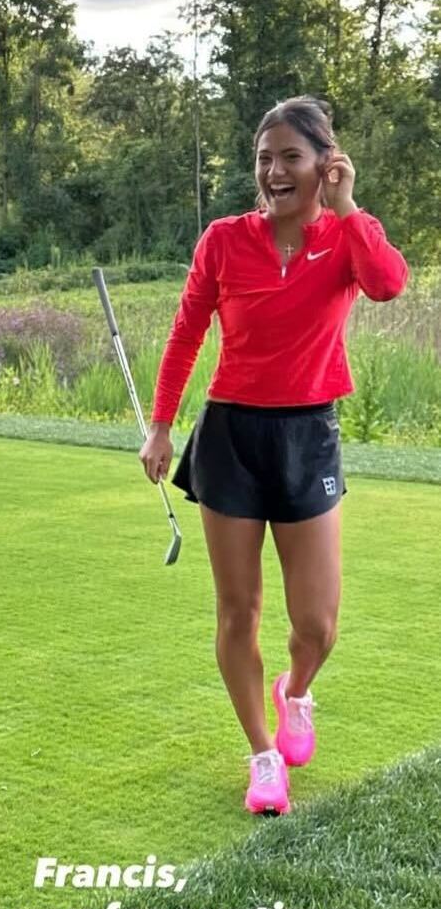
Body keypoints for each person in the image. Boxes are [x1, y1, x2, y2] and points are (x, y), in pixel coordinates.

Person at [139, 96, 408, 815]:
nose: (274, 171)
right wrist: (161, 427)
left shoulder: (351, 236)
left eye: (291, 156)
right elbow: (186, 332)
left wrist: (350, 209)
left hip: (307, 434)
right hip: (231, 436)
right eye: (264, 158)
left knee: (317, 624)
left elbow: (387, 284)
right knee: (238, 611)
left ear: (327, 163)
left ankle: (294, 692)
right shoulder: (225, 240)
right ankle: (263, 755)